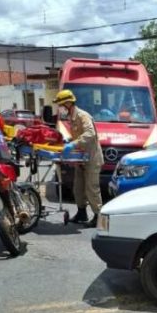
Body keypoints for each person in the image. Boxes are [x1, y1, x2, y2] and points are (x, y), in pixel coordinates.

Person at [53, 89, 103, 227]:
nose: (60, 108)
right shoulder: (72, 117)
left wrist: (73, 144)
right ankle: (82, 213)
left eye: (61, 105)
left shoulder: (82, 116)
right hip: (81, 158)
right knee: (78, 188)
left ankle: (98, 217)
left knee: (92, 188)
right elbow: (78, 135)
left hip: (92, 158)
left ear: (68, 103)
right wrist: (69, 140)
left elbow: (90, 134)